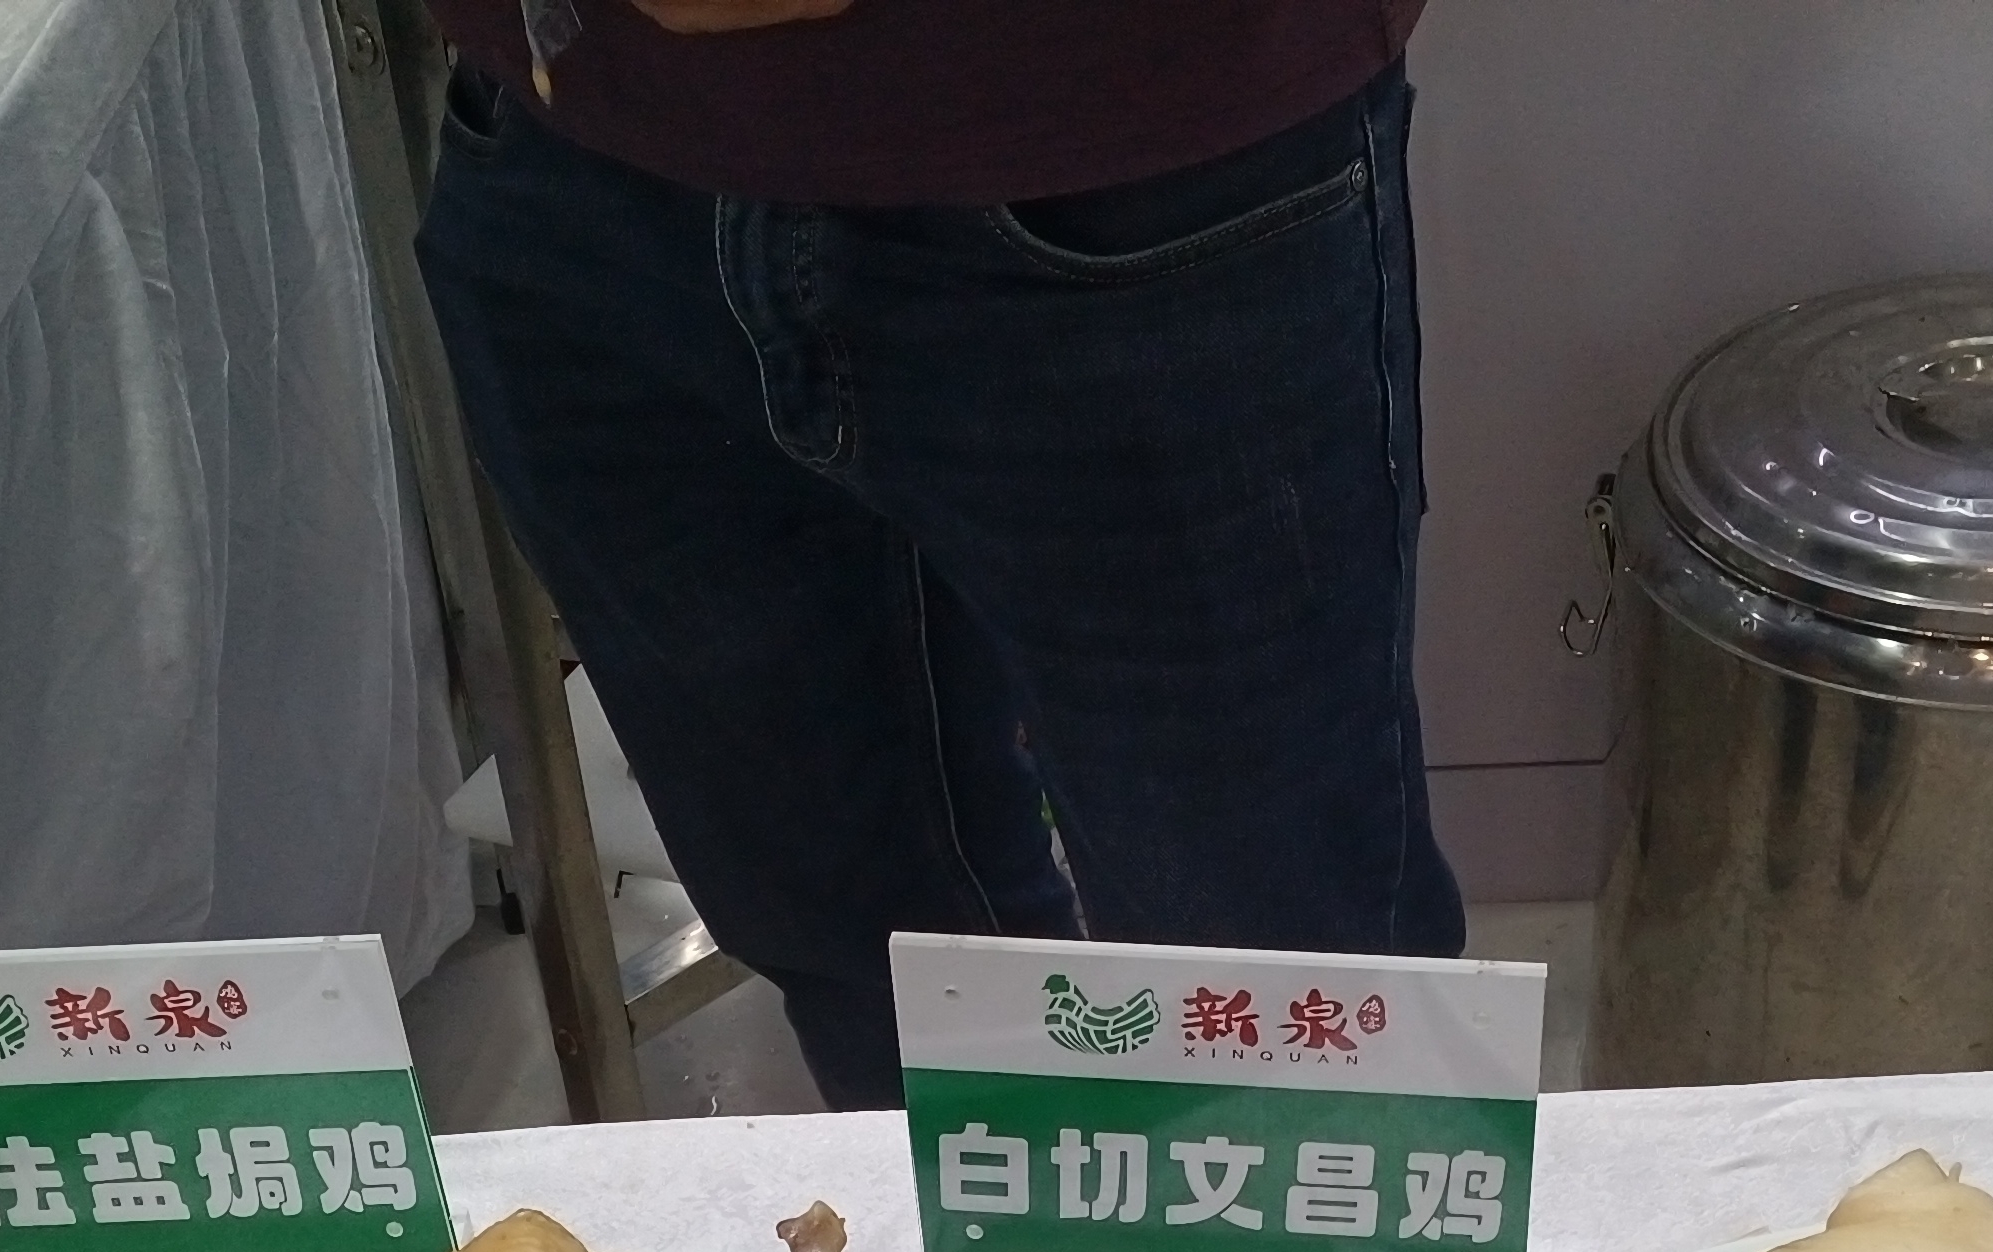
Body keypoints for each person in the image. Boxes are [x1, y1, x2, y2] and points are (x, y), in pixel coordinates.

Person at [414, 0, 1465, 1110]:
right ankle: (990, 1218)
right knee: (861, 957)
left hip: (1137, 133)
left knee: (1284, 997)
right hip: (577, 130)